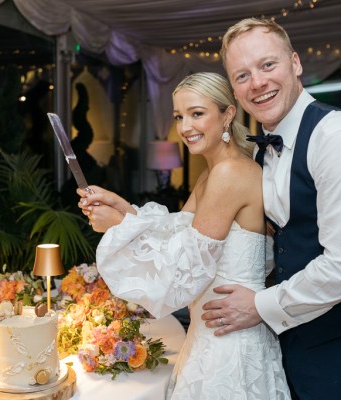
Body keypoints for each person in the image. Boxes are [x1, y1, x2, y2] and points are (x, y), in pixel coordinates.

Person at [201, 18, 341, 399]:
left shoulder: (338, 137)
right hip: (297, 336)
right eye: (242, 75)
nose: (257, 83)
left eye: (267, 65)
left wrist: (259, 306)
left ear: (295, 63)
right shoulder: (267, 149)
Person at [77, 72, 290, 399]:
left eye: (197, 113)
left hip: (229, 345)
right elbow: (176, 229)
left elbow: (185, 268)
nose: (185, 126)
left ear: (228, 114)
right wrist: (122, 208)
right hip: (211, 333)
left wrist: (119, 227)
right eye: (179, 116)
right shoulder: (214, 172)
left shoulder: (230, 173)